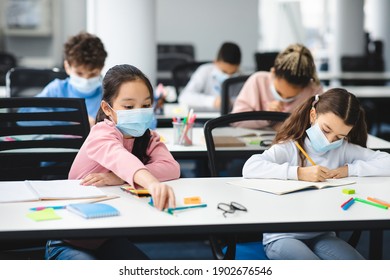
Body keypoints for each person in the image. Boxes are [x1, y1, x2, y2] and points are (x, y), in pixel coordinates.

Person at [45, 64, 180, 260]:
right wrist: (149, 182)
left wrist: (118, 178)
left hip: (107, 238)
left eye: (145, 105)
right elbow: (120, 159)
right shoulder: (101, 133)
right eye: (128, 106)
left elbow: (171, 167)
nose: (139, 112)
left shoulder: (148, 137)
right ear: (107, 109)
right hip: (68, 241)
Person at [242, 88, 390, 260]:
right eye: (326, 130)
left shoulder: (342, 149)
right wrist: (298, 173)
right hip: (283, 237)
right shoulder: (290, 147)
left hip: (323, 235)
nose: (329, 141)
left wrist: (349, 170)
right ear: (313, 115)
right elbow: (250, 167)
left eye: (338, 136)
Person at [20, 32, 107, 127]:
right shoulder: (57, 90)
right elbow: (23, 117)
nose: (85, 80)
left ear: (101, 68)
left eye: (92, 74)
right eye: (79, 73)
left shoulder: (108, 94)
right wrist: (68, 120)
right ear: (67, 67)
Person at [232, 43, 322, 128]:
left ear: (305, 86)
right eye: (279, 92)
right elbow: (236, 121)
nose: (283, 100)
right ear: (273, 72)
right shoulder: (258, 81)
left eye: (291, 97)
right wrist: (265, 116)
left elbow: (319, 125)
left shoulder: (314, 91)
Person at [178, 42, 241, 112]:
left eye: (233, 72)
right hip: (204, 117)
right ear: (215, 62)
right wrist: (212, 101)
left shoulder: (243, 77)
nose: (228, 76)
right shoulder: (204, 71)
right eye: (224, 71)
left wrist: (230, 102)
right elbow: (184, 97)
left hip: (228, 119)